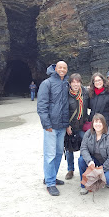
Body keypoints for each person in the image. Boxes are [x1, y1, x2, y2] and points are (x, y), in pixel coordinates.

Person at [37, 61, 69, 196]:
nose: (62, 70)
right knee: (50, 155)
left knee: (58, 153)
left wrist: (67, 123)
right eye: (60, 67)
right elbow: (41, 106)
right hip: (51, 126)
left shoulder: (66, 83)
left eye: (64, 68)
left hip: (62, 125)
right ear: (55, 69)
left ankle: (51, 177)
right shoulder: (47, 83)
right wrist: (47, 125)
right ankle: (50, 183)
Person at [78, 113, 109, 195]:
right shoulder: (88, 133)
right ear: (92, 124)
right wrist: (89, 161)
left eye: (100, 122)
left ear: (104, 124)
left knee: (108, 180)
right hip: (94, 161)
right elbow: (83, 148)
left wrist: (100, 170)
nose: (97, 124)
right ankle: (84, 185)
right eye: (95, 122)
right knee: (81, 160)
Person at [65, 73, 89, 180]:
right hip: (70, 126)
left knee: (84, 145)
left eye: (78, 82)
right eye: (73, 82)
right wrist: (67, 125)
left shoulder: (85, 92)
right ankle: (70, 170)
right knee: (69, 148)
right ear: (70, 83)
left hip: (82, 125)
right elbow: (63, 111)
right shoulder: (66, 94)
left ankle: (82, 167)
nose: (76, 84)